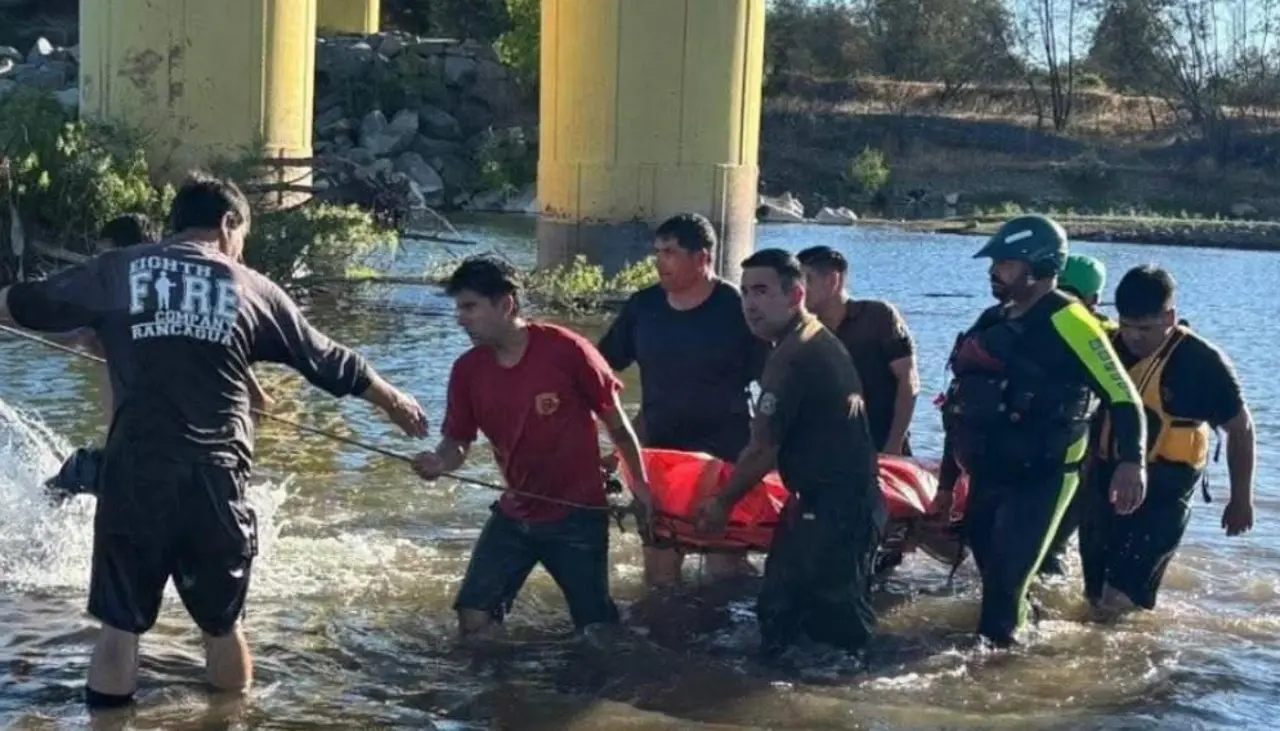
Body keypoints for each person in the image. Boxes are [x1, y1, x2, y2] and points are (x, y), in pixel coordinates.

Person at [0, 172, 429, 708]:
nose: (240, 250)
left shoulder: (119, 270)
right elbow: (325, 359)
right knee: (223, 627)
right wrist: (391, 399)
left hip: (136, 474)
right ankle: (231, 720)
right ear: (228, 223)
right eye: (242, 237)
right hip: (218, 476)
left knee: (119, 628)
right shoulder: (252, 288)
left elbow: (25, 302)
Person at [931, 214, 1147, 648]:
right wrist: (945, 485)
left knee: (1005, 585)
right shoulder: (992, 319)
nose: (994, 272)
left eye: (1006, 264)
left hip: (1043, 475)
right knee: (993, 575)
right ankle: (1025, 652)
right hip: (990, 471)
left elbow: (1123, 396)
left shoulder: (1070, 320)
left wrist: (1132, 462)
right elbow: (958, 403)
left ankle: (995, 675)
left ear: (1039, 267)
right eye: (995, 263)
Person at [411, 255, 652, 639]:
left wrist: (642, 493)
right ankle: (504, 690)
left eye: (470, 307)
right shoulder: (467, 370)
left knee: (596, 631)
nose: (461, 318)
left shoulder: (567, 350)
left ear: (506, 304)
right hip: (514, 512)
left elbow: (618, 426)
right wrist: (439, 462)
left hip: (578, 516)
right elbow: (457, 442)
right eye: (459, 308)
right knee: (474, 618)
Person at [693, 248, 884, 665]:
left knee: (830, 629)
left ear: (796, 294)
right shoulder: (810, 338)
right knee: (780, 611)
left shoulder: (794, 355)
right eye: (744, 293)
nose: (749, 304)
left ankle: (844, 699)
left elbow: (763, 449)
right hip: (825, 503)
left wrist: (722, 503)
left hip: (838, 509)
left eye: (761, 291)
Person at [43, 213, 272, 502]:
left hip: (139, 458)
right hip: (178, 458)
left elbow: (70, 331)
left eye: (106, 255)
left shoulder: (116, 311)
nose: (100, 264)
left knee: (68, 481)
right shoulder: (183, 314)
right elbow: (250, 387)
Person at [596, 213, 768, 588]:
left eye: (670, 252)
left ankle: (733, 640)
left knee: (726, 569)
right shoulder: (644, 307)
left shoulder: (738, 310)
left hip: (723, 457)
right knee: (660, 568)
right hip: (661, 454)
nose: (659, 262)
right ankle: (659, 642)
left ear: (702, 258)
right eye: (657, 251)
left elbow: (775, 387)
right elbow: (598, 372)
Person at [1081, 265, 1255, 615]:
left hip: (1165, 491)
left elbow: (1241, 429)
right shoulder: (1111, 344)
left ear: (1170, 316)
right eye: (1127, 325)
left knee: (1121, 602)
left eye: (1145, 328)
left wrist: (1241, 500)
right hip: (1107, 478)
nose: (1133, 337)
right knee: (1094, 595)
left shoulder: (1202, 363)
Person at [796, 245, 919, 454]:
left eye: (806, 280)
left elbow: (909, 381)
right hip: (829, 450)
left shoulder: (878, 317)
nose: (798, 290)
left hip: (881, 443)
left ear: (833, 280)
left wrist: (895, 442)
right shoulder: (804, 331)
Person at [1037, 252, 1116, 576]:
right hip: (1084, 456)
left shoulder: (1026, 322)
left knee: (1037, 540)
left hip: (1040, 451)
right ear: (1095, 298)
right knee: (1054, 541)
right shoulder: (1109, 335)